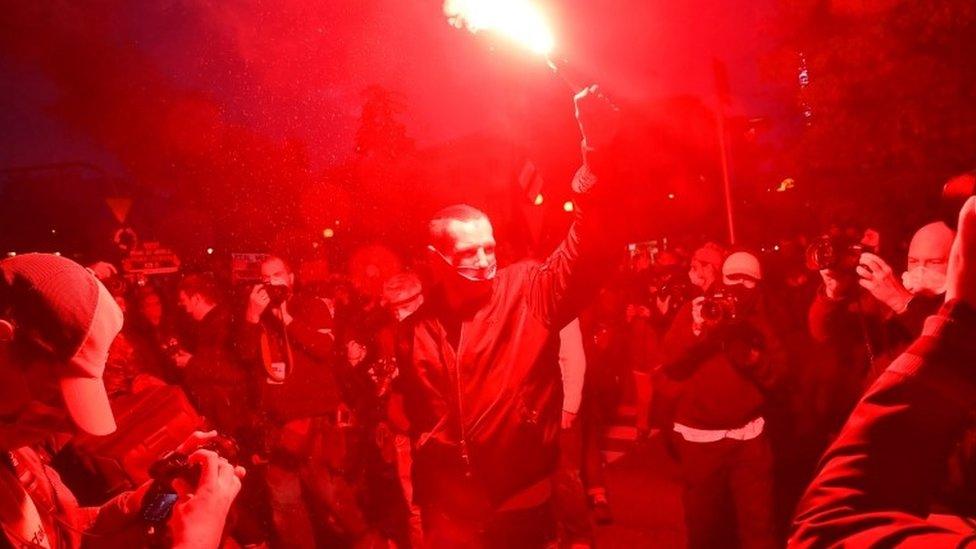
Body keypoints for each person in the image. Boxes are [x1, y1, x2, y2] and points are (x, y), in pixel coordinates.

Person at [394, 84, 622, 547]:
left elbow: (593, 247)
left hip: (521, 507)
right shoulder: (413, 332)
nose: (484, 260)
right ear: (436, 259)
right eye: (469, 251)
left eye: (490, 248)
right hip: (451, 516)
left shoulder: (528, 291)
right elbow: (423, 416)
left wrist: (596, 158)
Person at [0, 253, 243, 548]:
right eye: (56, 395)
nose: (68, 421)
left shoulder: (14, 447)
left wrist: (153, 497)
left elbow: (69, 531)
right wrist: (195, 542)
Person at [790, 196, 976, 547]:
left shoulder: (959, 309)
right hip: (886, 453)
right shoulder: (886, 292)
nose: (920, 268)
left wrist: (903, 303)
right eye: (913, 260)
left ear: (958, 262)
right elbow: (821, 331)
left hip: (944, 474)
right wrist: (834, 291)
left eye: (933, 261)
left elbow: (950, 346)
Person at [236, 255, 372, 547]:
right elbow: (245, 357)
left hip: (315, 422)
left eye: (277, 274)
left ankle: (368, 543)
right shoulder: (257, 314)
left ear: (291, 278)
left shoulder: (310, 305)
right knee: (285, 504)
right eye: (265, 277)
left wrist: (285, 317)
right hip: (278, 426)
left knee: (332, 495)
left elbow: (323, 347)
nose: (271, 282)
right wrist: (251, 316)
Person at [661, 251, 786, 549]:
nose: (740, 287)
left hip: (748, 438)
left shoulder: (761, 321)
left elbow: (780, 374)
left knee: (759, 526)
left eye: (749, 280)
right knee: (705, 528)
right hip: (701, 439)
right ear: (721, 278)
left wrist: (754, 358)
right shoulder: (698, 308)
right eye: (733, 278)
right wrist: (696, 330)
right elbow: (670, 361)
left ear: (759, 285)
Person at [175, 274, 248, 435]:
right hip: (220, 412)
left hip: (229, 415)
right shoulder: (210, 323)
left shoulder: (223, 325)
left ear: (197, 298)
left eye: (184, 300)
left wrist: (191, 363)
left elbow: (234, 371)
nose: (184, 307)